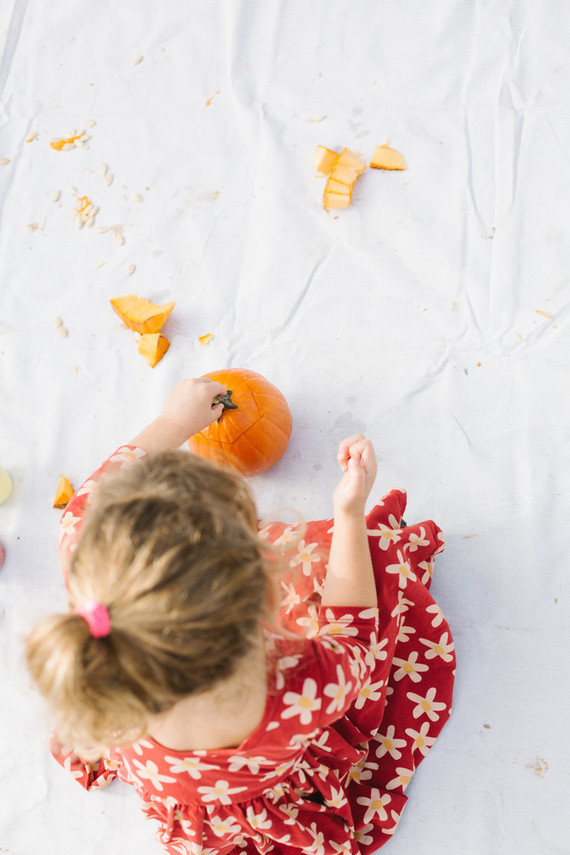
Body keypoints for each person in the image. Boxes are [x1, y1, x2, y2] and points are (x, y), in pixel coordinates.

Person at [26, 377, 455, 855]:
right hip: (268, 793)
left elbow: (89, 504)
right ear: (257, 599)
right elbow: (354, 637)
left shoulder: (90, 573)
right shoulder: (293, 682)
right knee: (366, 559)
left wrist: (173, 423)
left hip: (183, 801)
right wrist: (350, 513)